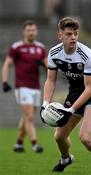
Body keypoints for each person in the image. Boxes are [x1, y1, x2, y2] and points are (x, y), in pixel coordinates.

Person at [41, 17, 91, 173]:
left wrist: (70, 110)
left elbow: (89, 89)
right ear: (60, 35)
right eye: (69, 34)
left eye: (76, 34)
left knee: (85, 137)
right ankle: (66, 159)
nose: (73, 37)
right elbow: (50, 81)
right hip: (74, 93)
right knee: (59, 137)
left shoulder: (87, 55)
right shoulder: (54, 53)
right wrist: (45, 104)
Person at [2, 20, 47, 153]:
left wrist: (43, 65)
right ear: (24, 32)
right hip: (22, 86)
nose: (31, 32)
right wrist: (4, 81)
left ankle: (18, 143)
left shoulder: (40, 48)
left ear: (36, 31)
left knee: (27, 117)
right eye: (28, 30)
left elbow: (49, 67)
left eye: (33, 30)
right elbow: (7, 64)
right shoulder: (17, 47)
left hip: (36, 87)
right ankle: (35, 144)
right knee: (30, 117)